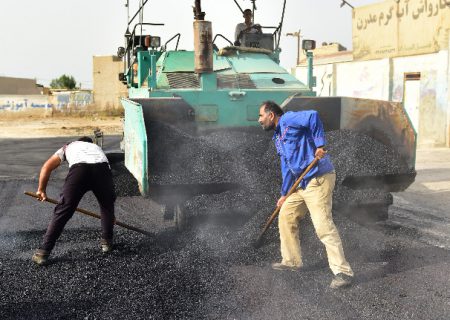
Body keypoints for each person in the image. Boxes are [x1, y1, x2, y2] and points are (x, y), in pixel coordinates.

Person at [258, 101, 354, 289]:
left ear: (271, 115)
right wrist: (285, 193)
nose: (259, 120)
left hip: (317, 178)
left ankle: (343, 272)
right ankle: (292, 261)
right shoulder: (278, 137)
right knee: (286, 214)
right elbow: (286, 166)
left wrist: (320, 144)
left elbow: (313, 116)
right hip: (301, 183)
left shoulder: (289, 119)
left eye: (261, 115)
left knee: (323, 225)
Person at [32, 136, 116, 266]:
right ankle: (107, 243)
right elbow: (108, 176)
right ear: (90, 143)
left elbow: (46, 167)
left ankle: (43, 252)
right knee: (107, 207)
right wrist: (110, 216)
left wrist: (41, 190)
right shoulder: (97, 148)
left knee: (63, 210)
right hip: (102, 169)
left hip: (80, 171)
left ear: (78, 141)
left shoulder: (68, 146)